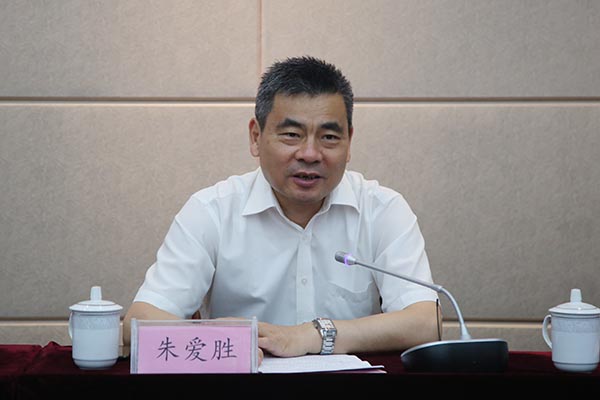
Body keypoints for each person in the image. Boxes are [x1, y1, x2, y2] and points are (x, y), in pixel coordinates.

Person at [123, 56, 441, 361]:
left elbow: (426, 323)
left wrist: (310, 336)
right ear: (256, 137)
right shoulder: (212, 211)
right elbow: (138, 323)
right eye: (291, 135)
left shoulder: (383, 210)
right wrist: (223, 339)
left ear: (349, 142)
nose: (310, 154)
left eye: (329, 137)